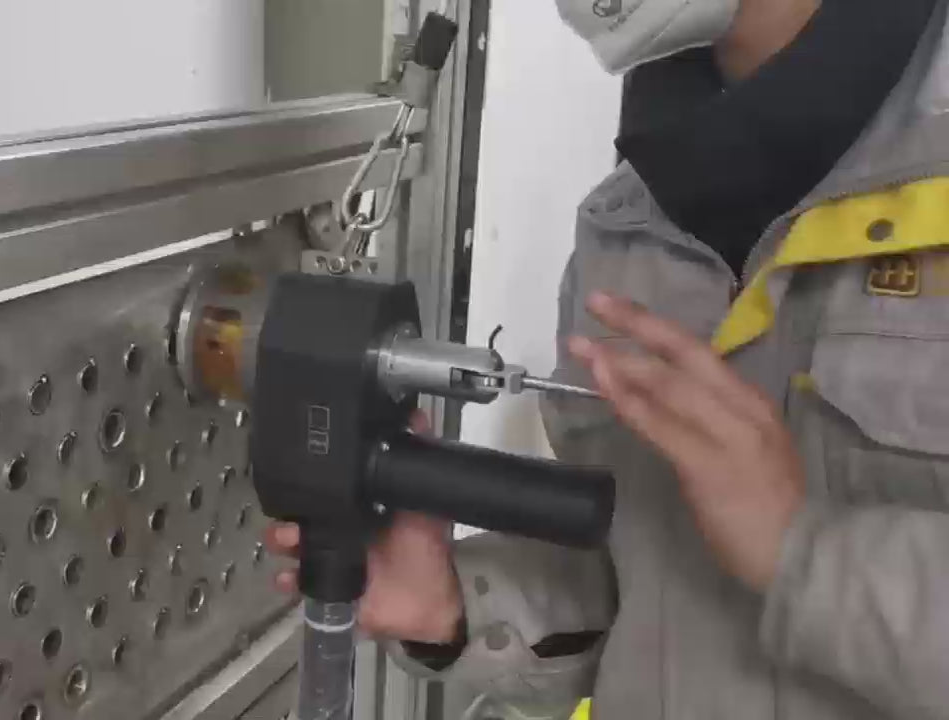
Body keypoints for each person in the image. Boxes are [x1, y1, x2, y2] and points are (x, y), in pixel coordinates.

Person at [266, 0, 949, 717]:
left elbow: (769, 554)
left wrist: (799, 552)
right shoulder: (633, 214)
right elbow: (644, 577)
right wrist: (458, 606)